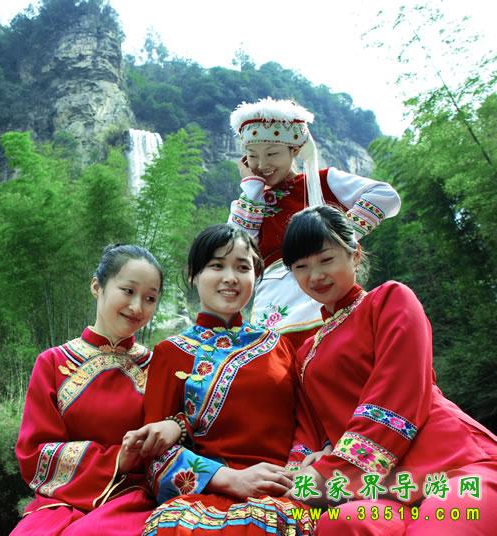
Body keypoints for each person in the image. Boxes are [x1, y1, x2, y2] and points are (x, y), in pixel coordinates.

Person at [281, 205, 497, 535]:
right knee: (340, 523)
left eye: (326, 260)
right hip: (380, 486)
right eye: (301, 267)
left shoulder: (389, 300)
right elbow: (310, 426)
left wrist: (329, 471)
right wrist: (298, 470)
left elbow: (398, 392)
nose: (315, 276)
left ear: (354, 254)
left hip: (451, 461)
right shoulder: (306, 351)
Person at [124, 224, 314, 535]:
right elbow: (155, 455)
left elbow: (307, 424)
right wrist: (229, 479)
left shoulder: (278, 345)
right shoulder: (170, 352)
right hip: (205, 492)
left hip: (281, 488)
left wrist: (294, 475)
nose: (230, 277)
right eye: (216, 265)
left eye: (243, 267)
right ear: (193, 275)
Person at [11, 244, 164, 535]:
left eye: (150, 298)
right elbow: (35, 453)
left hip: (136, 497)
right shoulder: (53, 362)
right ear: (97, 286)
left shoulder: (158, 366)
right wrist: (117, 459)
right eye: (128, 291)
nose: (137, 307)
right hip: (62, 501)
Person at [228, 97, 401, 350]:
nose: (262, 165)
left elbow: (386, 196)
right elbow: (235, 247)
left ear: (295, 150)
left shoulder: (323, 181)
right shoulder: (249, 201)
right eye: (252, 156)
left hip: (325, 285)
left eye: (272, 153)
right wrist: (252, 188)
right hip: (274, 300)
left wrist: (336, 237)